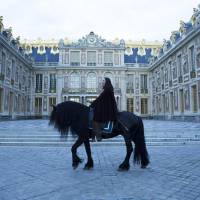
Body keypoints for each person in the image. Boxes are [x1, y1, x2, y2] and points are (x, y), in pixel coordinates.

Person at [90, 77, 118, 141]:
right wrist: (94, 102)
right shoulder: (107, 88)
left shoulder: (107, 89)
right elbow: (101, 99)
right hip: (106, 106)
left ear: (106, 82)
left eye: (103, 81)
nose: (102, 82)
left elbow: (100, 98)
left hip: (107, 108)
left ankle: (98, 135)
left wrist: (92, 104)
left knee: (96, 117)